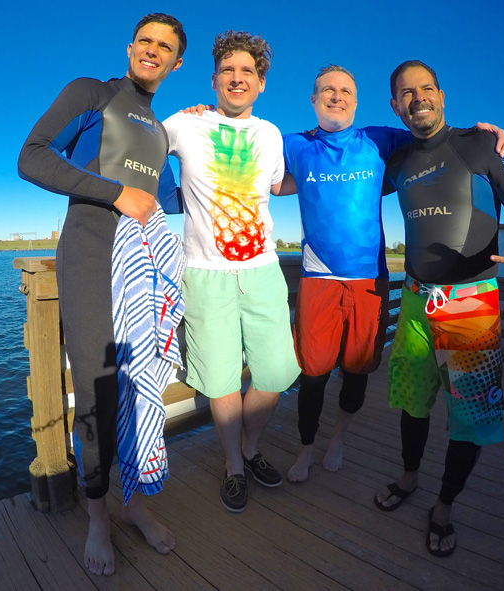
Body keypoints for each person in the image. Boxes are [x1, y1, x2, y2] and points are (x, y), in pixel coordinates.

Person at [280, 66, 504, 483]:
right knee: (312, 374)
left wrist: (489, 134)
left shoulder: (381, 139)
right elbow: (252, 165)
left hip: (371, 281)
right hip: (318, 279)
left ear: (357, 100)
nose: (337, 96)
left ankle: (338, 438)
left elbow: (436, 134)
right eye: (327, 91)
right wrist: (208, 118)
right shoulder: (293, 145)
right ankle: (305, 448)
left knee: (357, 370)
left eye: (346, 90)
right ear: (313, 100)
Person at [18, 13, 186, 576]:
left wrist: (223, 147)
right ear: (131, 46)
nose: (153, 51)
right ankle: (98, 516)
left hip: (140, 266)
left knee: (140, 387)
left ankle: (134, 503)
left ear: (176, 62)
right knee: (95, 391)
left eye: (165, 47)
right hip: (90, 256)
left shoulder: (160, 132)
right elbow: (33, 155)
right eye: (146, 41)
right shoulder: (93, 93)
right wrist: (115, 193)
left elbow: (169, 201)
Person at [374, 60, 504, 557]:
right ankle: (409, 478)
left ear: (442, 95)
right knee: (412, 400)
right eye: (406, 93)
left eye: (426, 88)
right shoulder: (398, 161)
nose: (418, 98)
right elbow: (348, 166)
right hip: (413, 298)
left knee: (470, 417)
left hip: (471, 301)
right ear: (395, 105)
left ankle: (444, 505)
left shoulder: (483, 143)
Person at [162, 31, 300, 513]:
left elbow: (281, 184)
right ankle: (235, 465)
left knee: (277, 371)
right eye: (229, 71)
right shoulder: (184, 123)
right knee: (220, 379)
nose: (238, 78)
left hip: (262, 270)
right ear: (215, 80)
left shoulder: (271, 133)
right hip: (205, 274)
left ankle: (250, 444)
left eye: (248, 72)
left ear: (261, 83)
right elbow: (139, 146)